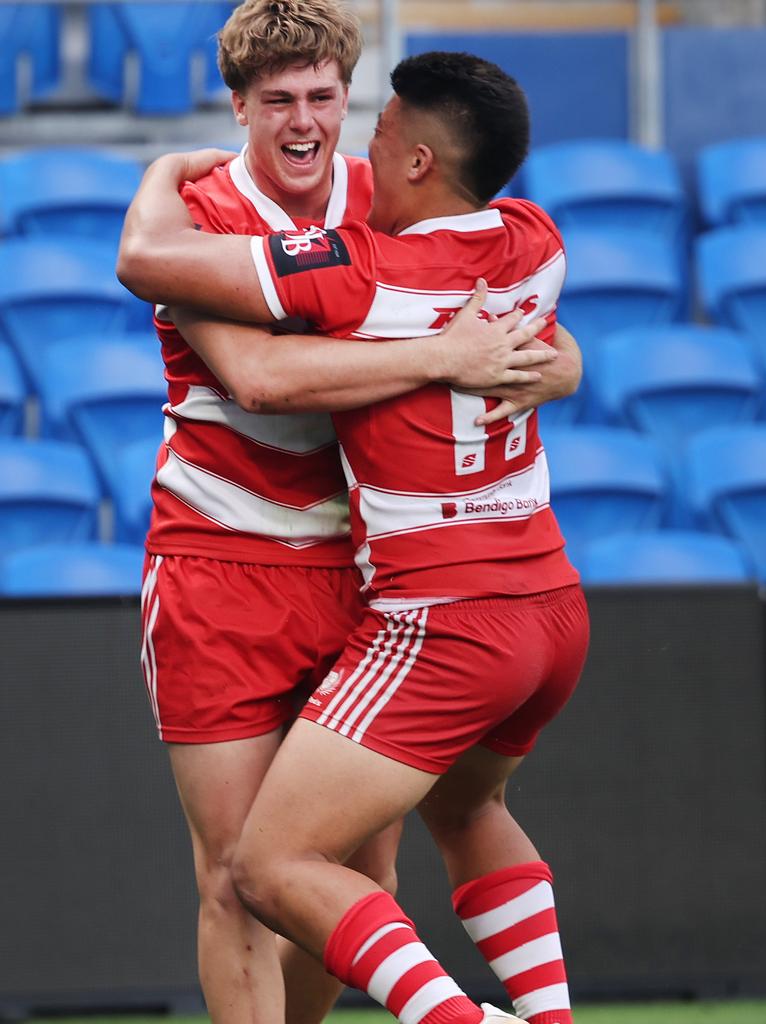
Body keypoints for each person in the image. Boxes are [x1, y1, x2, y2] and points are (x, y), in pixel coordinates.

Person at [131, 3, 584, 1024]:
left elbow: (533, 324)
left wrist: (561, 365)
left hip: (364, 572)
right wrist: (443, 356)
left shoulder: (393, 194)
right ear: (238, 105)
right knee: (234, 876)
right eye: (278, 101)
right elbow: (253, 375)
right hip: (221, 559)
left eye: (324, 99)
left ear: (352, 100)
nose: (304, 123)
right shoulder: (198, 216)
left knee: (346, 876)